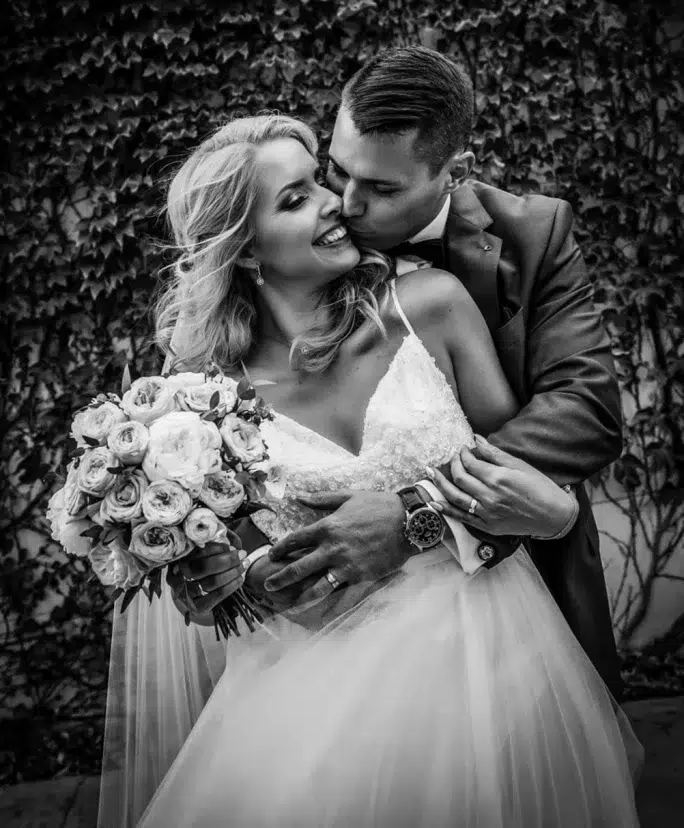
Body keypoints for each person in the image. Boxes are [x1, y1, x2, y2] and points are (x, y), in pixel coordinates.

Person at [99, 113, 640, 828]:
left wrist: (424, 519)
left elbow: (521, 474)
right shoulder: (202, 397)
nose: (335, 202)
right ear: (246, 250)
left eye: (319, 180)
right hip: (315, 694)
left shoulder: (431, 306)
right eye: (295, 199)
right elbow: (218, 573)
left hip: (497, 659)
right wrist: (242, 579)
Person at [219, 46, 625, 704]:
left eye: (381, 189)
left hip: (509, 606)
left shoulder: (531, 235)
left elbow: (586, 413)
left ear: (447, 173)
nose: (345, 204)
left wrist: (416, 513)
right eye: (337, 172)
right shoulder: (291, 269)